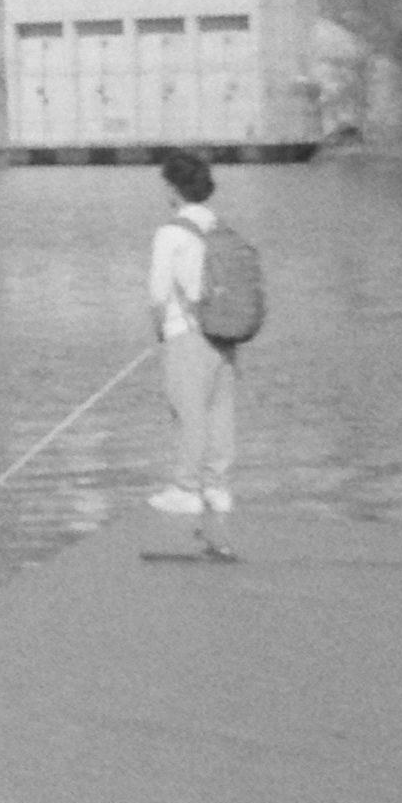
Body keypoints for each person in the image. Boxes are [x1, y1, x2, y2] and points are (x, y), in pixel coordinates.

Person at [146, 148, 237, 558]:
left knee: (188, 409)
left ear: (173, 188)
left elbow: (158, 293)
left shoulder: (171, 232)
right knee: (219, 409)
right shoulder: (218, 225)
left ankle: (185, 488)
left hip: (187, 332)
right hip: (226, 331)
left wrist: (159, 333)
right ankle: (217, 488)